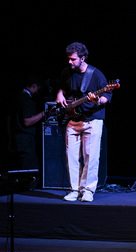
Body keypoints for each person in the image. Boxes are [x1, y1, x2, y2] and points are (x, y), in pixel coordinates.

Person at [56, 42, 112, 202]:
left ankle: (88, 190)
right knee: (72, 157)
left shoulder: (96, 74)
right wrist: (60, 93)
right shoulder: (67, 72)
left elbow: (106, 97)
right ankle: (74, 189)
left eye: (73, 59)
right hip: (72, 120)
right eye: (69, 59)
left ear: (82, 58)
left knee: (90, 157)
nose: (70, 62)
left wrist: (97, 101)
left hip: (92, 121)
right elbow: (62, 86)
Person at [8, 76, 45, 171]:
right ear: (34, 86)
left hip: (17, 139)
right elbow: (27, 122)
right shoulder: (26, 99)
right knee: (30, 169)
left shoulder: (17, 97)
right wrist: (43, 113)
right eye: (37, 88)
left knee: (21, 168)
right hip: (25, 140)